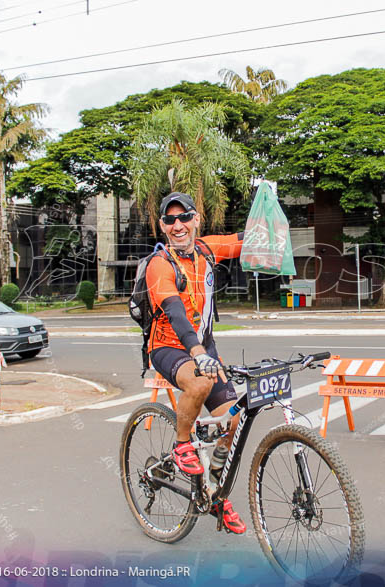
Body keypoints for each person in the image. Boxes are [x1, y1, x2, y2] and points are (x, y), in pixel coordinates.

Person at [145, 192, 246, 534]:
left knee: (234, 420)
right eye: (170, 220)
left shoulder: (205, 249)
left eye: (184, 217)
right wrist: (198, 353)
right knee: (200, 383)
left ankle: (215, 492)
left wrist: (273, 225)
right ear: (162, 226)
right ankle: (181, 444)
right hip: (169, 347)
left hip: (204, 348)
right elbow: (175, 313)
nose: (178, 225)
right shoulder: (159, 264)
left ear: (197, 219)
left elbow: (242, 242)